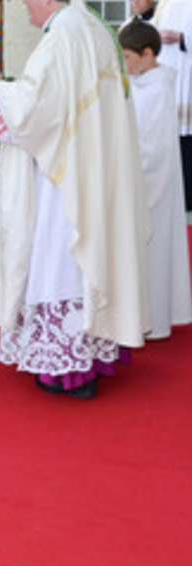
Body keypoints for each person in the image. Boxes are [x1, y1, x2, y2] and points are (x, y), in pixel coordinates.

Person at [0, 0, 150, 399]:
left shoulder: (63, 35)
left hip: (65, 178)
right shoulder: (91, 26)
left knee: (60, 257)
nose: (24, 1)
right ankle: (89, 352)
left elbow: (35, 112)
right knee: (82, 257)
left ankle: (68, 370)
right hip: (92, 167)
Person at [119, 19, 192, 340]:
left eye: (127, 57)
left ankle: (150, 320)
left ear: (147, 54)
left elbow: (150, 146)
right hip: (141, 180)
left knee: (151, 251)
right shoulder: (140, 82)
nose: (124, 64)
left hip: (151, 185)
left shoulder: (157, 88)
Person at [154, 0, 192, 209]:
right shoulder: (164, 3)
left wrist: (181, 38)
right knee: (169, 139)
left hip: (189, 77)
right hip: (169, 77)